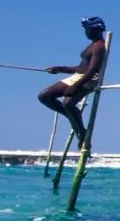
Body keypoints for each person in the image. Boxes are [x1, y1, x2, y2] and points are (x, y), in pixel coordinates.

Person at [38, 17, 107, 148]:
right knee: (44, 96)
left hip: (89, 79)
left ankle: (81, 131)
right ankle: (74, 120)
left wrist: (76, 85)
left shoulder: (99, 46)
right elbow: (81, 68)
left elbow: (92, 70)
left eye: (87, 29)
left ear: (95, 29)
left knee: (68, 103)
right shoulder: (92, 45)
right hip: (79, 76)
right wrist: (60, 69)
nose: (85, 32)